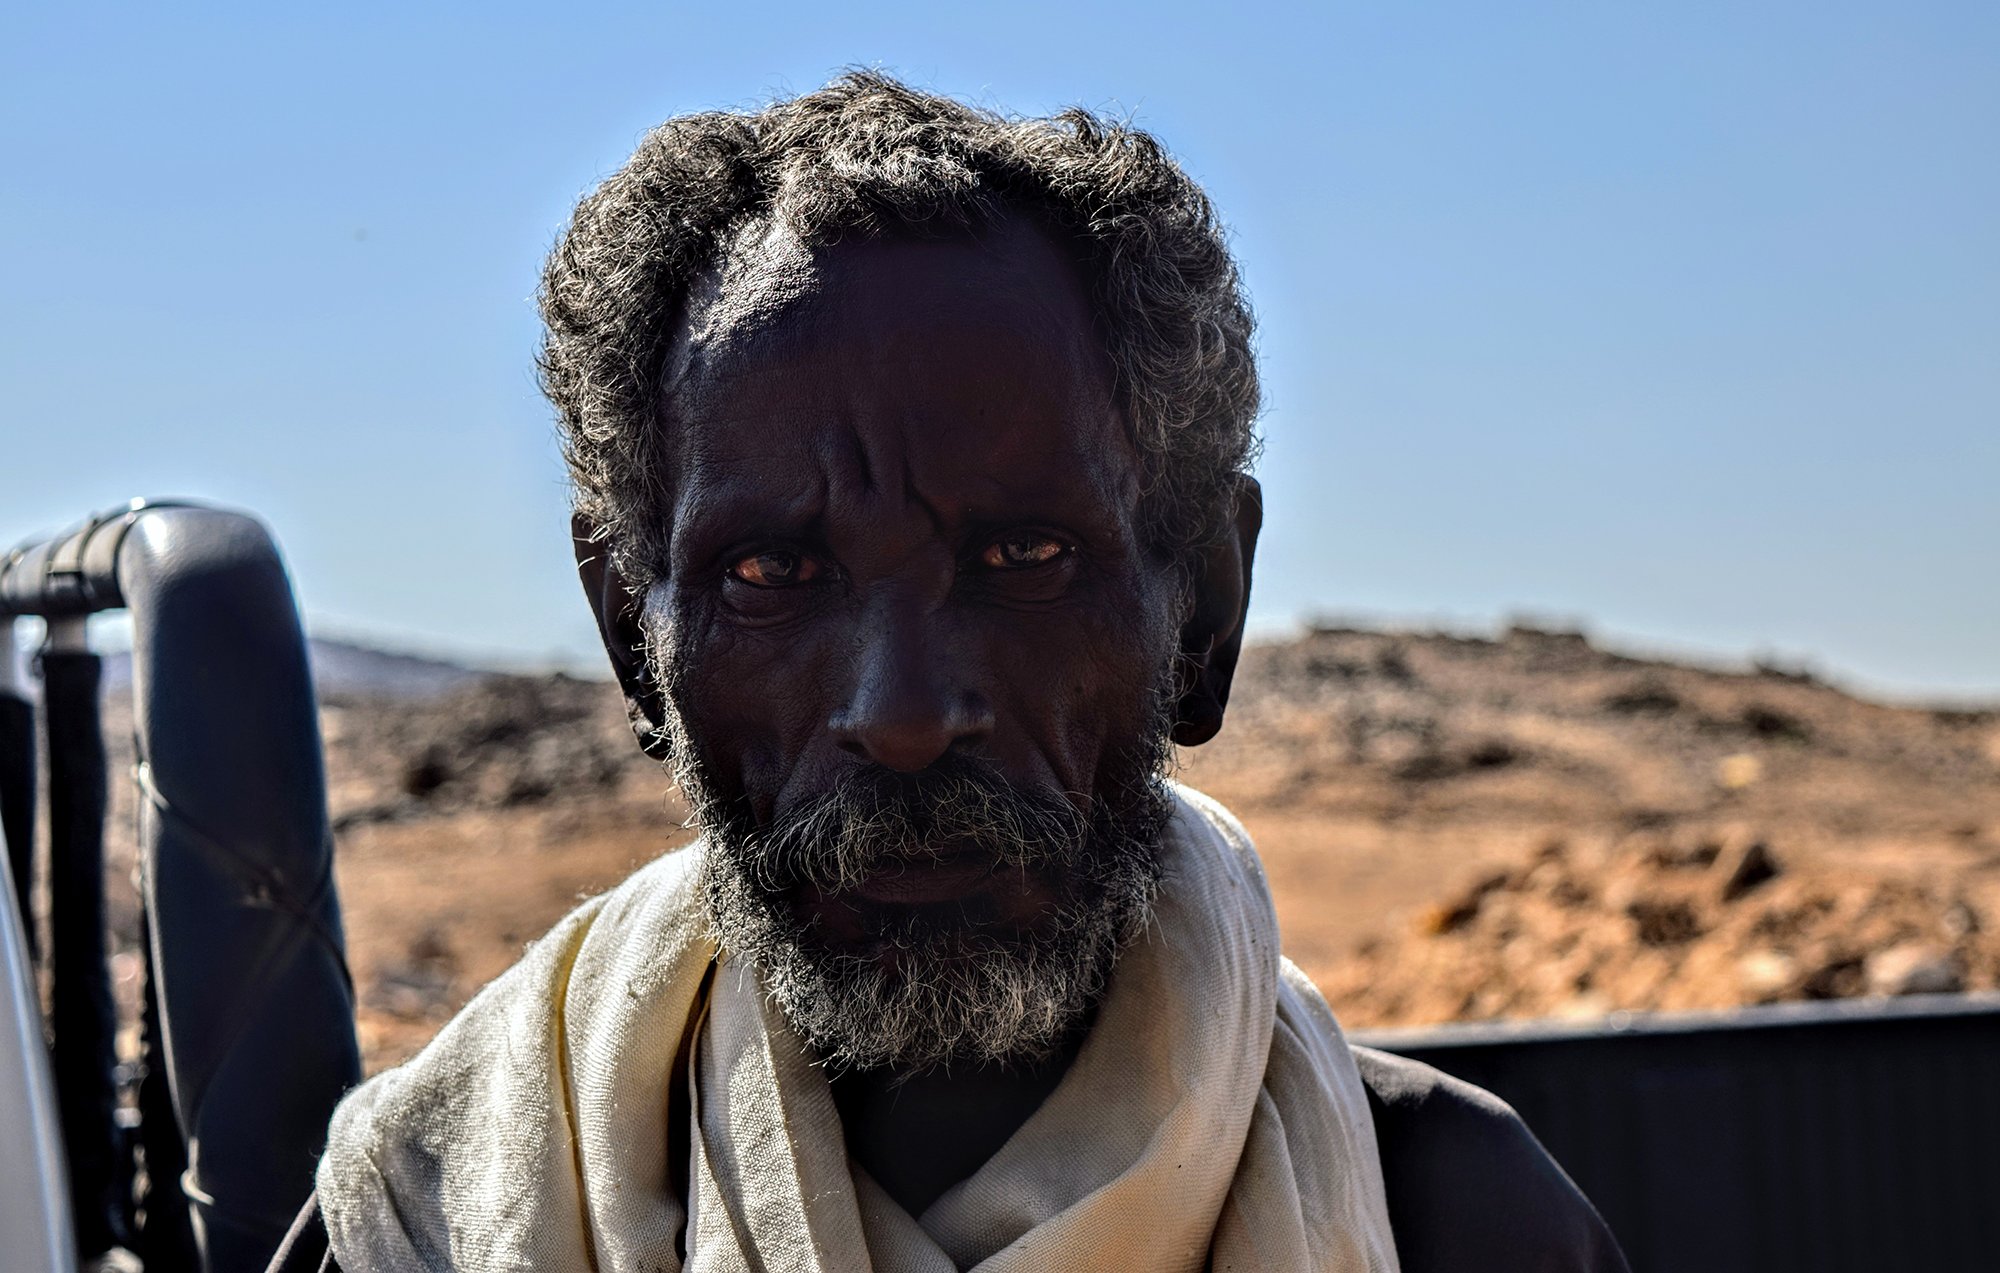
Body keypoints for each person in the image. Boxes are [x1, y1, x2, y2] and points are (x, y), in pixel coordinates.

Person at [273, 73, 1628, 1272]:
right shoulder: (432, 1220)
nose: (905, 716)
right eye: (773, 573)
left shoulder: (1457, 1225)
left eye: (1024, 556)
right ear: (636, 637)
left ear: (1205, 613)